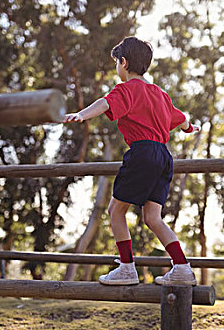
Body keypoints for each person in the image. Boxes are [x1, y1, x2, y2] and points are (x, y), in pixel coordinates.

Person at [63, 36, 199, 286]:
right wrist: (191, 128)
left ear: (123, 63)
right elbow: (181, 119)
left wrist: (81, 115)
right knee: (153, 217)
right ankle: (182, 268)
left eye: (117, 62)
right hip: (163, 157)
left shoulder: (126, 90)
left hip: (142, 153)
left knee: (116, 210)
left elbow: (105, 104)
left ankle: (126, 268)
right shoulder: (160, 94)